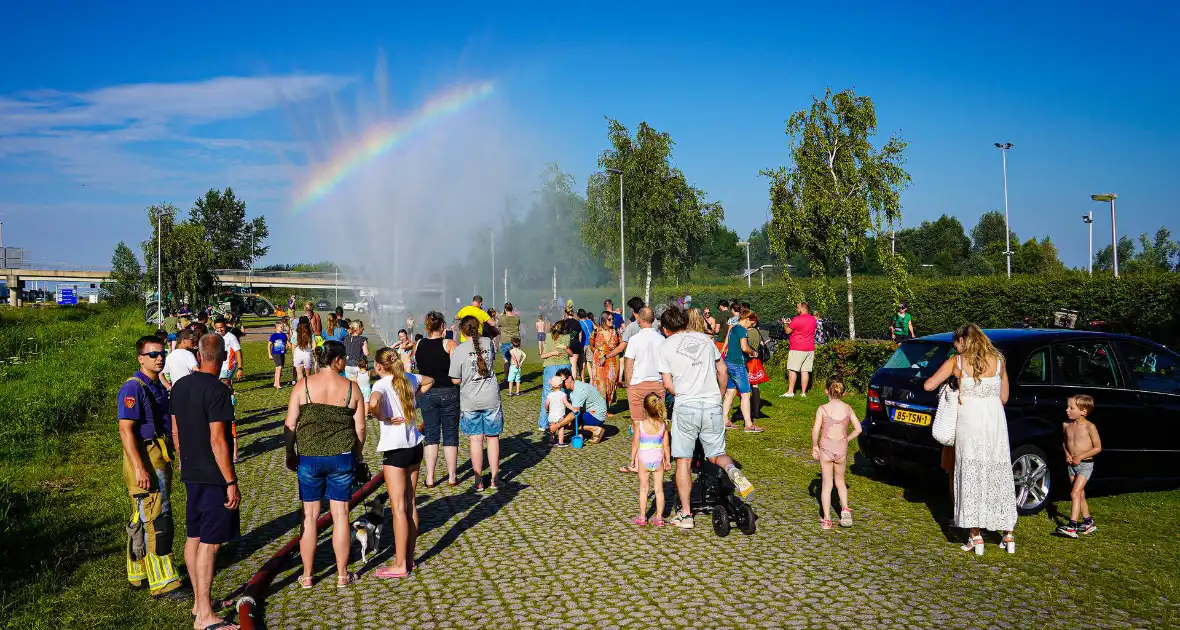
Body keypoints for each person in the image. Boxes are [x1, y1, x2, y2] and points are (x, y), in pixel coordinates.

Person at [656, 306, 755, 530]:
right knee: (717, 454)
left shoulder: (664, 346)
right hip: (711, 404)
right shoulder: (705, 340)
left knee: (683, 460)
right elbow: (722, 370)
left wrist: (681, 393)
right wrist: (719, 394)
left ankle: (686, 515)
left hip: (686, 405)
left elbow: (669, 384)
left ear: (665, 328)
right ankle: (735, 474)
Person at [923, 324, 1017, 555]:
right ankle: (1008, 534)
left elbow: (929, 385)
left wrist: (954, 384)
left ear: (962, 341)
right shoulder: (999, 361)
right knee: (997, 470)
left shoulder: (958, 362)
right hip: (995, 420)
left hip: (970, 421)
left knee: (970, 472)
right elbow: (1004, 397)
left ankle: (975, 535)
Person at [283, 341, 366, 587]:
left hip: (309, 458)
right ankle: (342, 575)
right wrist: (358, 455)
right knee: (340, 515)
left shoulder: (303, 385)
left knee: (309, 517)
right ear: (338, 360)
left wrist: (290, 452)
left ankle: (307, 575)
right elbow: (360, 428)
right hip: (342, 458)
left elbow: (290, 424)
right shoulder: (352, 388)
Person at [172, 333, 240, 628]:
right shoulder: (218, 390)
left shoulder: (179, 386)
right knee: (210, 544)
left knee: (194, 537)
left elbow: (175, 431)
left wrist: (183, 459)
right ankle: (206, 618)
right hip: (213, 476)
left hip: (191, 472)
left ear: (199, 355)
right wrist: (230, 481)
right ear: (224, 357)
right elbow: (218, 440)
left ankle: (200, 604)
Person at [118, 335, 183, 598]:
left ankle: (139, 573)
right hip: (145, 456)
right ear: (140, 358)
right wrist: (140, 468)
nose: (160, 358)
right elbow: (126, 431)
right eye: (153, 354)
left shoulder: (155, 385)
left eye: (162, 353)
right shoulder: (133, 388)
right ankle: (164, 583)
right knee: (158, 518)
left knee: (142, 515)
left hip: (158, 454)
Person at [370, 347, 433, 578]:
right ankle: (409, 558)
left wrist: (381, 416)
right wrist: (416, 398)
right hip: (415, 446)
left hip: (395, 450)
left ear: (378, 366)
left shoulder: (380, 385)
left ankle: (399, 565)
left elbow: (373, 403)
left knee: (398, 508)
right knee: (411, 504)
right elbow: (430, 380)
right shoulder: (409, 377)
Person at [449, 316, 503, 491]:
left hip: (470, 400)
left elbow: (455, 380)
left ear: (463, 331)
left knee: (476, 440)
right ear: (478, 327)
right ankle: (495, 478)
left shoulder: (459, 350)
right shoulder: (488, 343)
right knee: (493, 438)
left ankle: (478, 480)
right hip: (491, 397)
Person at [811, 376, 863, 530]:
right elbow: (859, 429)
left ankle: (827, 519)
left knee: (827, 485)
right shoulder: (848, 408)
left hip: (826, 448)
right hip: (841, 449)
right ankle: (845, 509)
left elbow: (815, 430)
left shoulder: (822, 408)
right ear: (844, 393)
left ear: (827, 390)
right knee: (840, 481)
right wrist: (847, 439)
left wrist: (814, 446)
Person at [415, 311, 460, 487]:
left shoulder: (418, 344)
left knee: (431, 435)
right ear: (442, 326)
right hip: (448, 391)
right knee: (450, 435)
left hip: (426, 392)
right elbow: (456, 370)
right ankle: (452, 476)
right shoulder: (449, 344)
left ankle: (430, 477)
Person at [623, 307, 667, 467]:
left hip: (637, 384)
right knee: (657, 420)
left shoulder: (634, 339)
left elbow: (629, 365)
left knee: (637, 423)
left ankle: (637, 462)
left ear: (639, 320)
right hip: (657, 383)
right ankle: (658, 457)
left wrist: (628, 384)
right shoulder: (661, 339)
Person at [1058, 394, 1102, 538]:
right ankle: (1088, 523)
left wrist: (1080, 457)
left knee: (1074, 493)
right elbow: (1065, 443)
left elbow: (1098, 448)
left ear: (1083, 411)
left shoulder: (1090, 427)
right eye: (1067, 407)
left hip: (1085, 465)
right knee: (1080, 494)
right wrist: (1067, 454)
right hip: (1071, 465)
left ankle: (1072, 526)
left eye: (1071, 408)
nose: (1067, 410)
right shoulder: (1066, 425)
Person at [630, 393, 672, 526]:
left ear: (645, 409)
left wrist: (632, 458)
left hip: (643, 459)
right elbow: (666, 445)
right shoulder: (663, 426)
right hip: (658, 459)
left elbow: (635, 443)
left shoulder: (640, 425)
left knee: (643, 489)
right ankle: (659, 518)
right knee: (659, 489)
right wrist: (668, 460)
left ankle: (643, 517)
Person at [721, 313, 764, 432]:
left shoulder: (733, 328)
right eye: (751, 322)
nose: (752, 325)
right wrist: (753, 353)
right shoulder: (741, 330)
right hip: (738, 365)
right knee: (745, 394)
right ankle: (749, 425)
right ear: (746, 319)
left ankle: (724, 421)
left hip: (728, 363)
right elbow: (744, 348)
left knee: (730, 393)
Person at [549, 368, 607, 445]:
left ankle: (595, 429)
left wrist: (557, 425)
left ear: (569, 378)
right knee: (564, 419)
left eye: (562, 382)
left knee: (565, 422)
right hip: (590, 411)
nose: (561, 385)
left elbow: (574, 413)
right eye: (560, 383)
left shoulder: (579, 389)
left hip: (597, 415)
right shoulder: (572, 387)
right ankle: (585, 431)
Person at [537, 319, 573, 432]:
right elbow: (570, 353)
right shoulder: (567, 337)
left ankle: (543, 424)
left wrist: (552, 353)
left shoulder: (548, 336)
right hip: (564, 367)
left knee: (547, 395)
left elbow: (543, 355)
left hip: (550, 367)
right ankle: (565, 421)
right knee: (565, 394)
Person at [781, 302, 817, 398]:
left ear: (802, 308)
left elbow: (788, 331)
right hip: (810, 348)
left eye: (798, 308)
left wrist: (785, 324)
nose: (797, 310)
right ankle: (803, 393)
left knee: (793, 370)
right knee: (805, 371)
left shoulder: (797, 319)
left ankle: (790, 392)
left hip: (797, 348)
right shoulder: (813, 319)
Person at [590, 311, 620, 408]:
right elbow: (591, 345)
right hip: (599, 362)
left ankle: (608, 406)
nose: (612, 321)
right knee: (600, 384)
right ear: (603, 320)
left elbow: (620, 345)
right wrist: (597, 354)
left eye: (612, 319)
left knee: (611, 384)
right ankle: (601, 408)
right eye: (609, 319)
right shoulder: (596, 332)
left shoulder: (616, 331)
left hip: (613, 362)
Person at [213, 317, 243, 382]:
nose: (219, 330)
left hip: (228, 366)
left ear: (225, 326)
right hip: (217, 366)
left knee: (222, 385)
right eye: (217, 328)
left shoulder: (231, 337)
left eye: (221, 327)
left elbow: (238, 352)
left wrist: (240, 368)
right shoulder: (215, 335)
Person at [544, 376, 572, 446]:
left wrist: (547, 410)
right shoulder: (563, 395)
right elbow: (566, 403)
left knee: (552, 428)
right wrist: (573, 408)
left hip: (551, 415)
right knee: (561, 428)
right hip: (560, 415)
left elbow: (546, 404)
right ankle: (561, 442)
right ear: (561, 385)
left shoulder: (550, 395)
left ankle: (551, 441)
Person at [499, 303, 521, 381]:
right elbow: (518, 325)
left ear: (505, 309)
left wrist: (502, 314)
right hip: (516, 340)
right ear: (512, 308)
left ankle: (506, 377)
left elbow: (499, 325)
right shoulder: (517, 317)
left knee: (506, 360)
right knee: (515, 360)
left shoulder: (502, 318)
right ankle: (515, 377)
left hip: (505, 340)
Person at [269, 320, 289, 390]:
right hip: (276, 353)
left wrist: (286, 349)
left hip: (282, 353)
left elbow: (287, 343)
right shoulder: (273, 336)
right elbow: (269, 345)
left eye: (282, 327)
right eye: (281, 327)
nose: (282, 328)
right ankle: (277, 384)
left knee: (279, 368)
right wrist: (269, 354)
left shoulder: (284, 335)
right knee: (279, 367)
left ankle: (275, 382)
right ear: (277, 327)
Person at [578, 309, 595, 383]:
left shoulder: (579, 323)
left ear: (578, 316)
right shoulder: (590, 321)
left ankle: (583, 379)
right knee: (589, 362)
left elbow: (580, 335)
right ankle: (591, 378)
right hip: (590, 344)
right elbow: (595, 330)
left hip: (583, 344)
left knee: (582, 362)